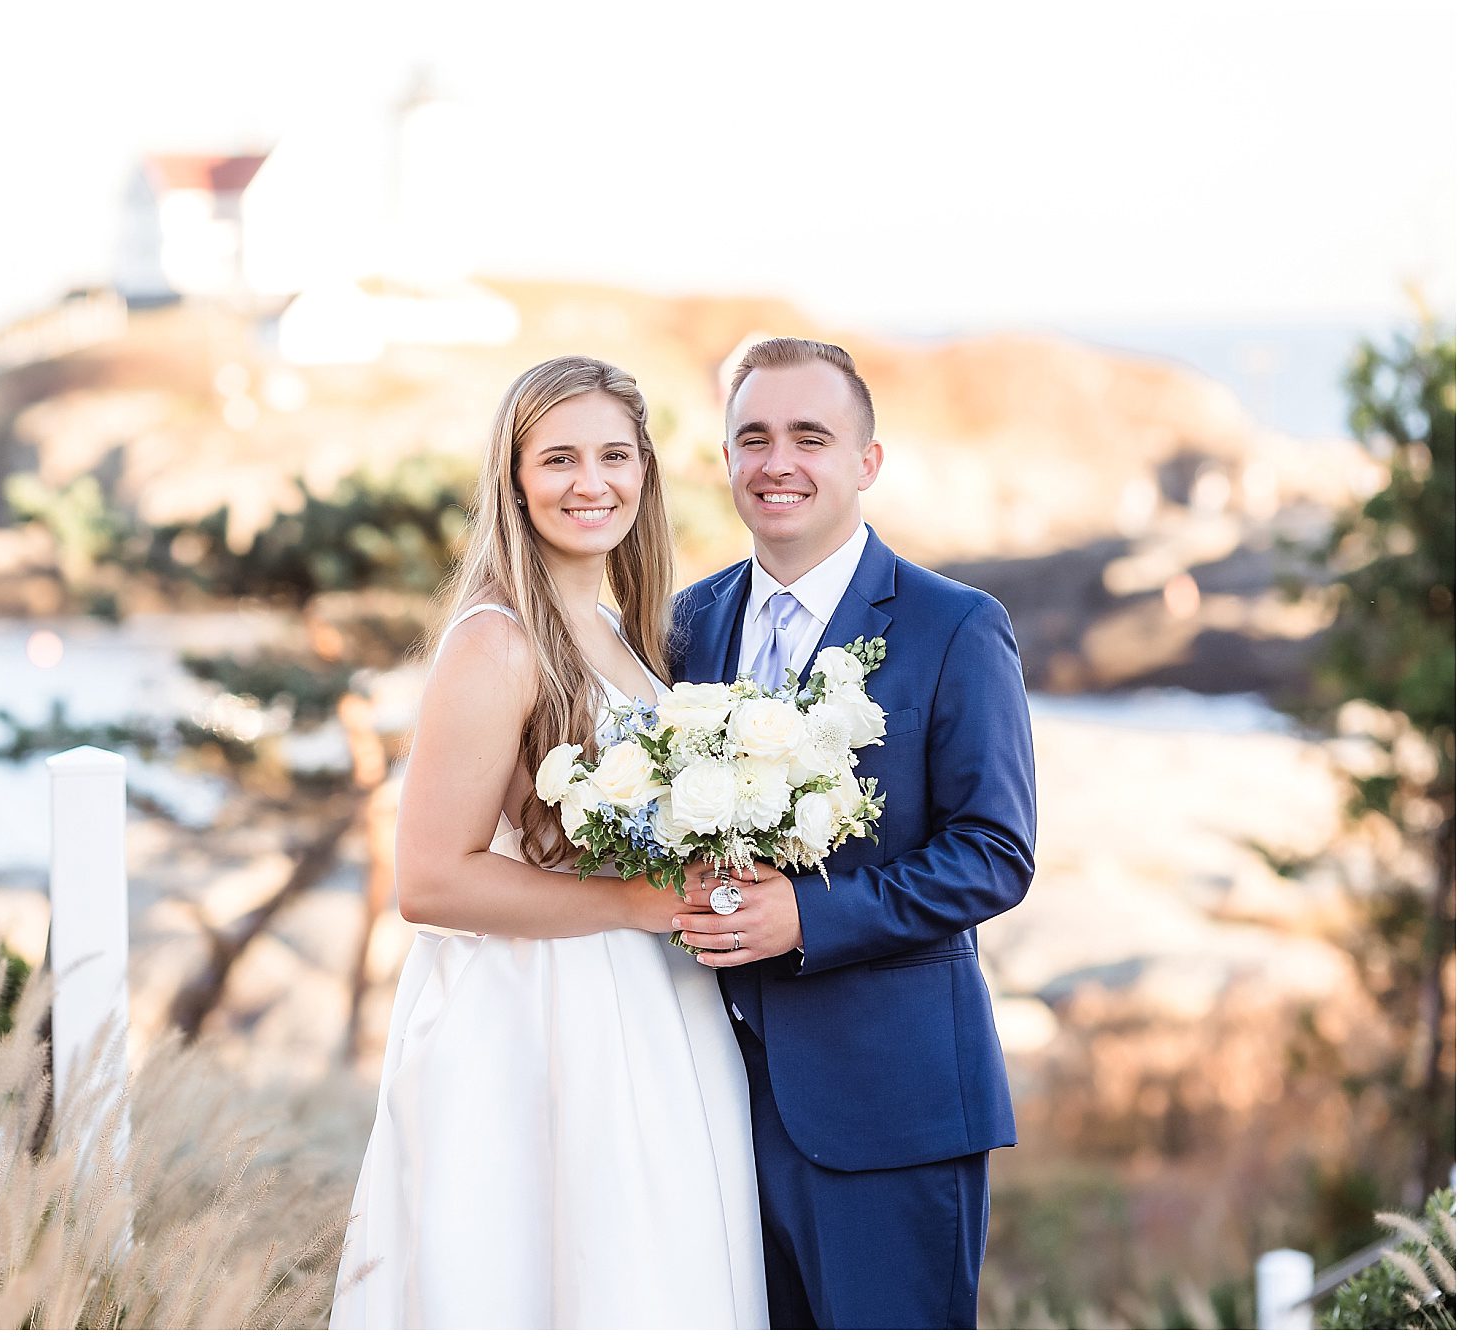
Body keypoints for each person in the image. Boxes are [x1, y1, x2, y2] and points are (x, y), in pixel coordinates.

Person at [331, 356, 768, 1329]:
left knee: (655, 1274)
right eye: (558, 457)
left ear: (646, 473)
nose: (590, 481)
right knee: (546, 1273)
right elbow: (429, 879)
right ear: (513, 478)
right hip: (541, 1020)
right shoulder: (497, 639)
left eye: (614, 455)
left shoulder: (619, 629)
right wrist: (633, 903)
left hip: (655, 1006)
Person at [668, 337, 1037, 1328]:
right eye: (751, 437)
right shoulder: (686, 622)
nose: (775, 462)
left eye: (807, 436)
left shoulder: (953, 625)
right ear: (726, 458)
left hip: (890, 1111)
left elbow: (994, 852)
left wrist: (808, 917)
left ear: (864, 461)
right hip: (712, 1105)